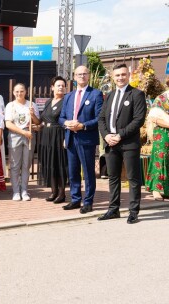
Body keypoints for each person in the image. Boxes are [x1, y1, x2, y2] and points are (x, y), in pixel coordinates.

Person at [98, 63, 147, 224]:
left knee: (133, 178)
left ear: (128, 75)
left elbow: (138, 120)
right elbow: (102, 119)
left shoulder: (137, 94)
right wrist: (106, 136)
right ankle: (113, 209)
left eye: (123, 75)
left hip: (128, 144)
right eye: (117, 75)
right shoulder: (110, 95)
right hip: (111, 143)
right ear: (113, 77)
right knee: (113, 177)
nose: (120, 78)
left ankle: (133, 212)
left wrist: (120, 135)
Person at [59, 65, 103, 214]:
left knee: (88, 172)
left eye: (84, 74)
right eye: (79, 74)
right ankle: (75, 199)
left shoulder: (96, 94)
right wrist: (66, 123)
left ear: (89, 76)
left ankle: (88, 201)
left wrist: (83, 126)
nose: (82, 76)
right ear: (74, 76)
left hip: (86, 138)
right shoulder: (68, 96)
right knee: (73, 171)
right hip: (71, 138)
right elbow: (61, 117)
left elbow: (99, 118)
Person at [5, 83, 40, 201]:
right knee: (15, 165)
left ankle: (24, 190)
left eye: (22, 91)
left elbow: (37, 123)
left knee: (26, 165)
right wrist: (23, 132)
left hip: (29, 136)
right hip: (16, 135)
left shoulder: (31, 104)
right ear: (14, 93)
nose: (19, 93)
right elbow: (8, 124)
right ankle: (15, 191)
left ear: (26, 92)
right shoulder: (10, 105)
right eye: (17, 91)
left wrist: (32, 114)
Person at [38, 76, 69, 204]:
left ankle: (62, 193)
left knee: (59, 164)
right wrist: (37, 124)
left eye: (63, 85)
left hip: (59, 135)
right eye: (58, 85)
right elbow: (43, 119)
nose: (60, 87)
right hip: (46, 136)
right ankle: (53, 191)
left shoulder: (67, 101)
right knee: (49, 163)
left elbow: (68, 120)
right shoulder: (48, 102)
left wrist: (66, 138)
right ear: (52, 88)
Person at [145, 75, 169, 201]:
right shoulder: (161, 98)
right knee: (161, 158)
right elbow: (154, 117)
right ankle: (156, 189)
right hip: (163, 133)